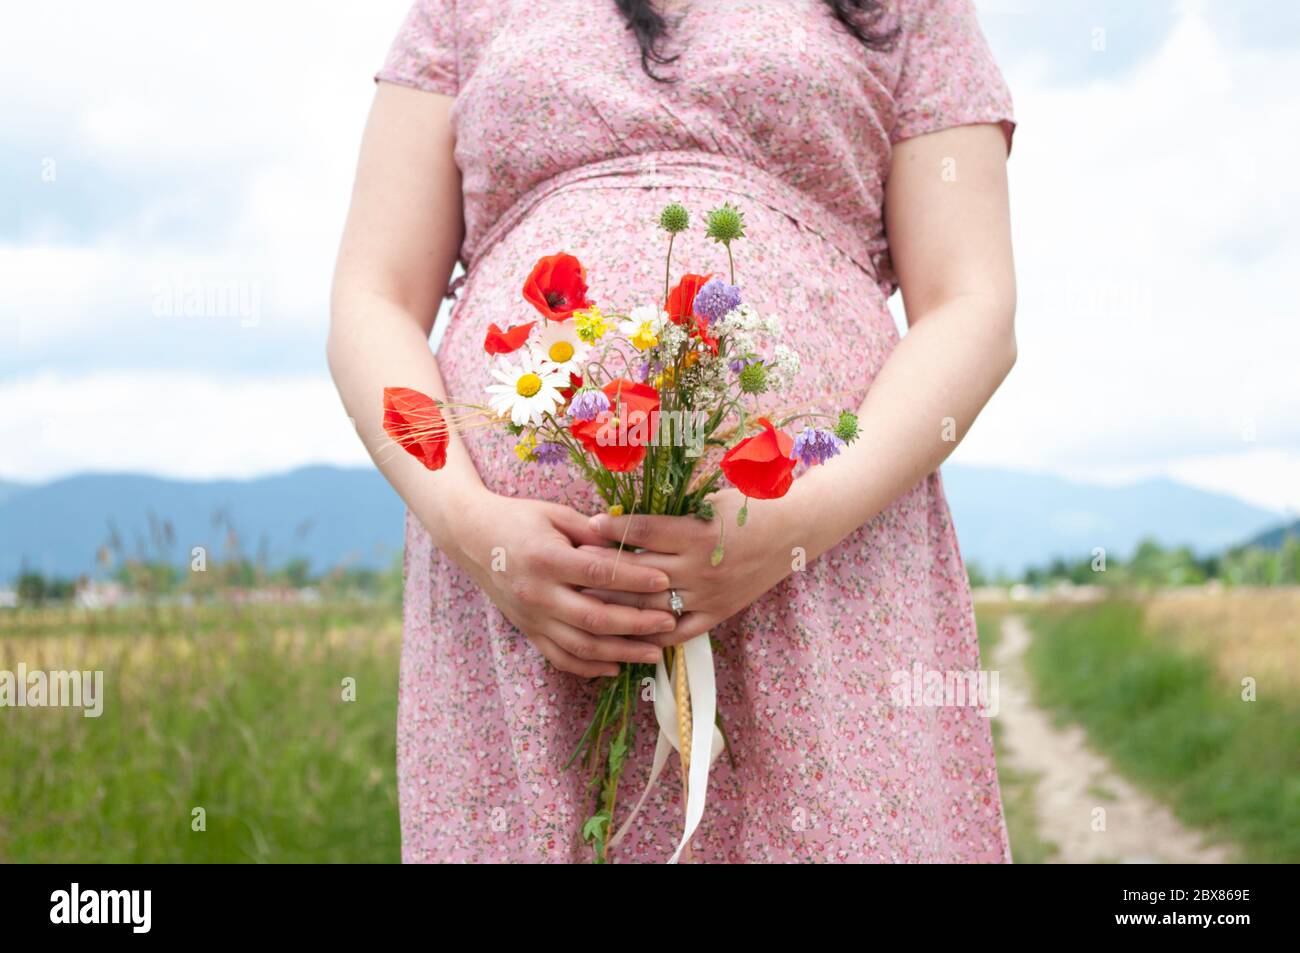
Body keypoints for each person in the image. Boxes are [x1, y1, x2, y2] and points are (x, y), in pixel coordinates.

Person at [328, 0, 1017, 863]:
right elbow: (373, 301)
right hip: (521, 613)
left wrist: (793, 527)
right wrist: (471, 523)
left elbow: (974, 306)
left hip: (820, 569)